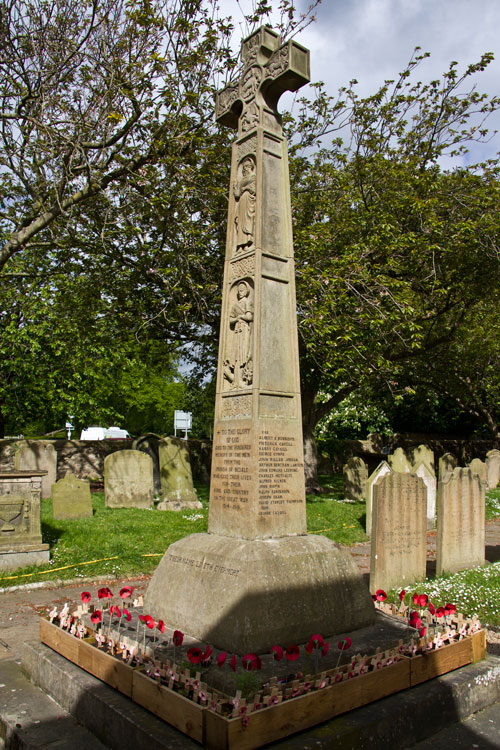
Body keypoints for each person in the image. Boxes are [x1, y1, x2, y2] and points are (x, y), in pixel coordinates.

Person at [233, 156, 256, 254]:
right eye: (243, 167)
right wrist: (236, 190)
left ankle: (247, 243)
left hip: (249, 201)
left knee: (247, 222)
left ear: (250, 167)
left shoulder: (253, 177)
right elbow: (238, 195)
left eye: (246, 166)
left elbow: (253, 190)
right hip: (242, 201)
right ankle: (240, 246)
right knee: (240, 223)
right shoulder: (242, 179)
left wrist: (244, 189)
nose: (244, 169)